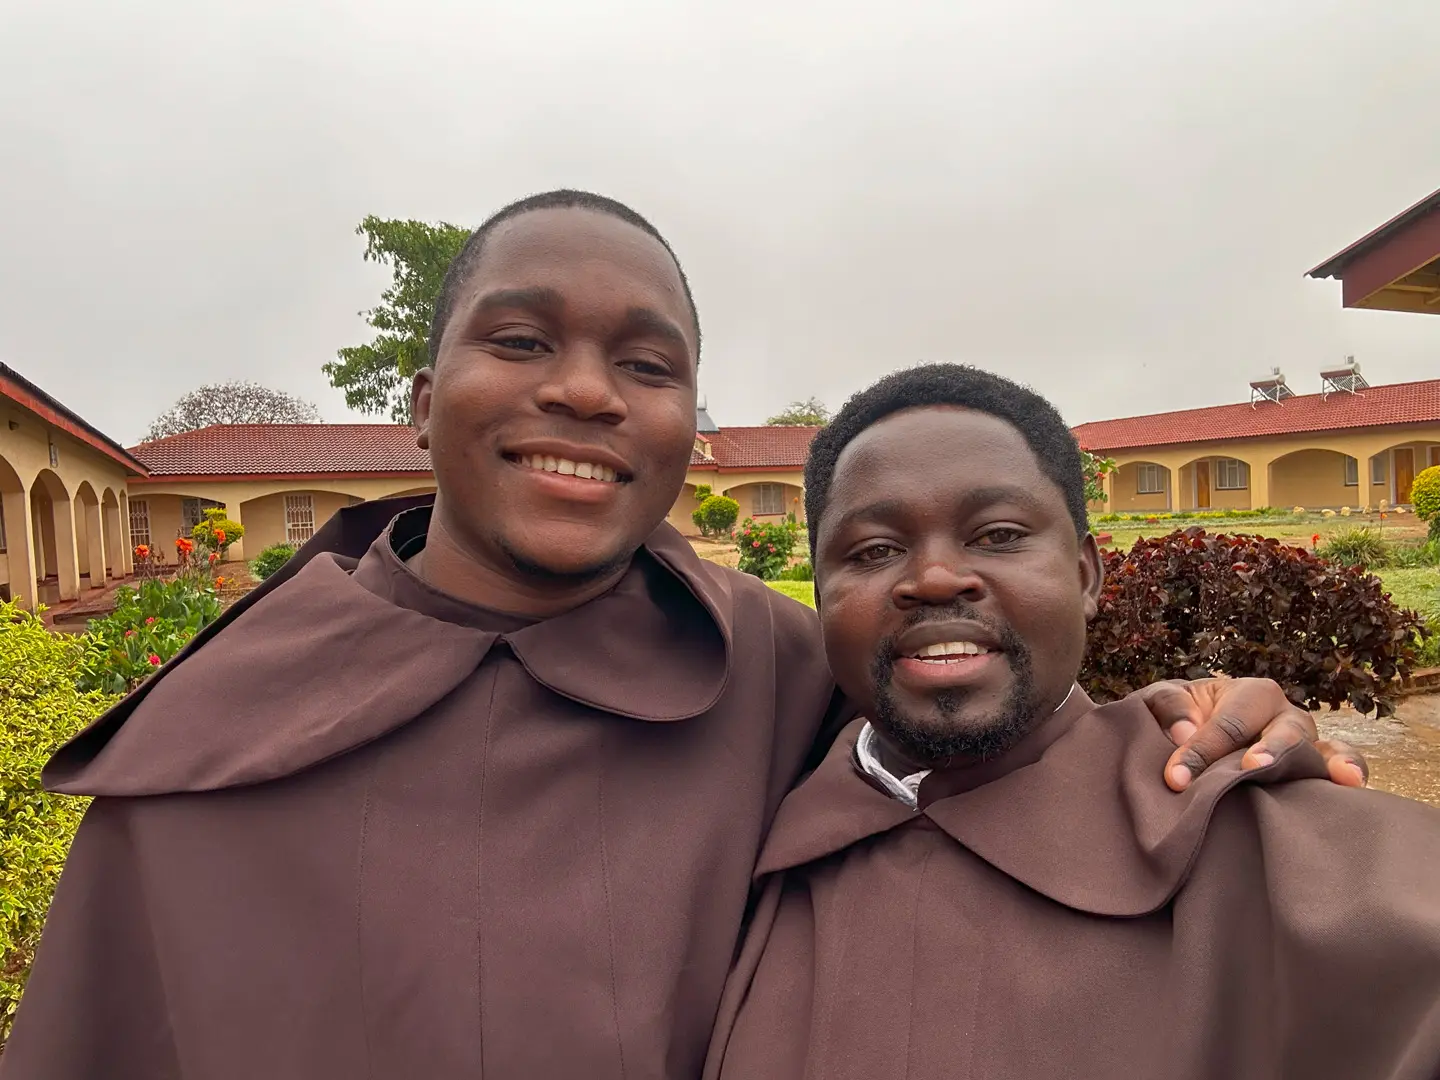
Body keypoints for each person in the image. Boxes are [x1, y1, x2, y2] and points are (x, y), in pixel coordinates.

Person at [3, 196, 1367, 1080]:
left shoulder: (779, 668)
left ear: (688, 430)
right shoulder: (212, 734)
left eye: (648, 366)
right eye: (519, 340)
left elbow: (1007, 748)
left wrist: (1200, 726)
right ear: (419, 400)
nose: (586, 392)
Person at [703, 364, 1440, 1080]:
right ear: (820, 594)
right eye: (873, 550)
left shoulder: (1264, 847)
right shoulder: (751, 848)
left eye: (997, 534)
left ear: (1087, 575)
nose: (934, 579)